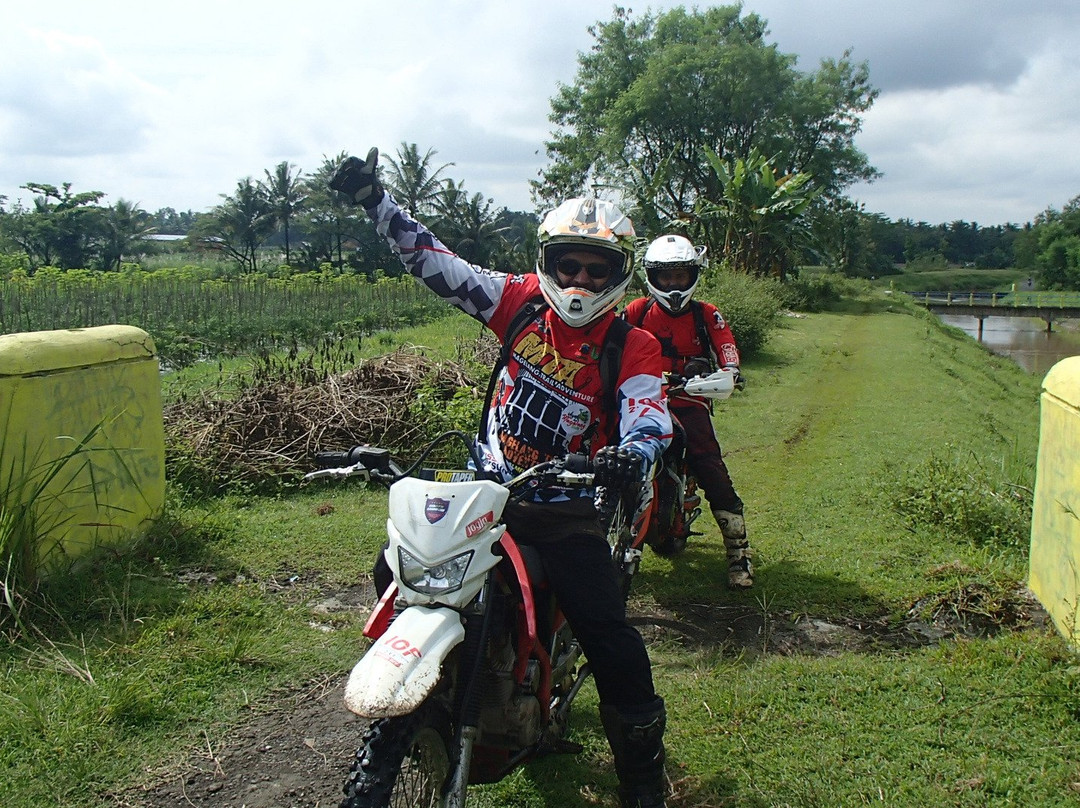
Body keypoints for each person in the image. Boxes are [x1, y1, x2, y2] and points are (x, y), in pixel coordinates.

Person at [331, 148, 672, 808]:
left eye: (594, 268)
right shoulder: (515, 302)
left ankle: (642, 783)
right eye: (568, 264)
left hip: (566, 504)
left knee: (609, 634)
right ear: (547, 264)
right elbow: (436, 262)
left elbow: (648, 413)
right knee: (392, 564)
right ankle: (448, 675)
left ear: (616, 274)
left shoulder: (634, 343)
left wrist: (633, 452)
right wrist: (378, 202)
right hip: (481, 488)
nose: (578, 279)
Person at [622, 234, 753, 589]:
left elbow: (726, 347)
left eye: (681, 276)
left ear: (693, 275)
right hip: (642, 400)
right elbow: (613, 342)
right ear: (652, 276)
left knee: (709, 464)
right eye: (666, 276)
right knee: (610, 460)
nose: (674, 284)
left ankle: (738, 553)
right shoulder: (637, 311)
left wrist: (730, 370)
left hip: (690, 397)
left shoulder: (706, 313)